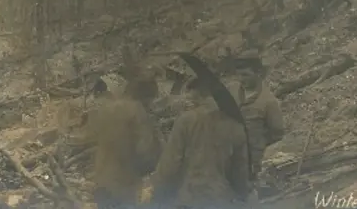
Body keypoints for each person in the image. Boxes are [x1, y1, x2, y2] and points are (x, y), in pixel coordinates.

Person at [150, 80, 250, 209]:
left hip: (189, 197)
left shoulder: (186, 121)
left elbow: (170, 164)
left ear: (200, 96)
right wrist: (242, 197)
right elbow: (240, 172)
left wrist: (158, 193)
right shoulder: (236, 127)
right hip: (220, 198)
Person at [88, 69, 163, 209]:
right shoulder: (137, 110)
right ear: (146, 96)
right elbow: (145, 149)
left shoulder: (106, 109)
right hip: (125, 182)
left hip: (102, 178)